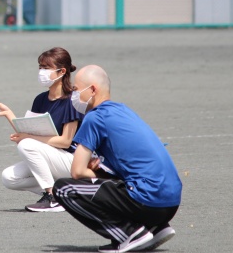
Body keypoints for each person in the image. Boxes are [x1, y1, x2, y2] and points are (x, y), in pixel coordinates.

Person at [52, 65, 182, 253]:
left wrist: (96, 173)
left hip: (147, 200)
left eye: (76, 89)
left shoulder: (95, 118)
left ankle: (128, 233)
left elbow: (77, 171)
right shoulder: (124, 111)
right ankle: (155, 227)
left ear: (93, 90)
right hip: (169, 202)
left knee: (64, 189)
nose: (73, 95)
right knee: (111, 182)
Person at [0, 47, 83, 212]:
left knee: (27, 144)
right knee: (9, 177)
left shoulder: (72, 100)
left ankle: (52, 197)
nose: (41, 71)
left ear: (62, 71)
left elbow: (65, 141)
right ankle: (64, 195)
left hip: (72, 161)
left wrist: (28, 137)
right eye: (40, 67)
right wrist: (8, 114)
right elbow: (31, 131)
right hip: (52, 156)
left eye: (46, 68)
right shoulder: (41, 99)